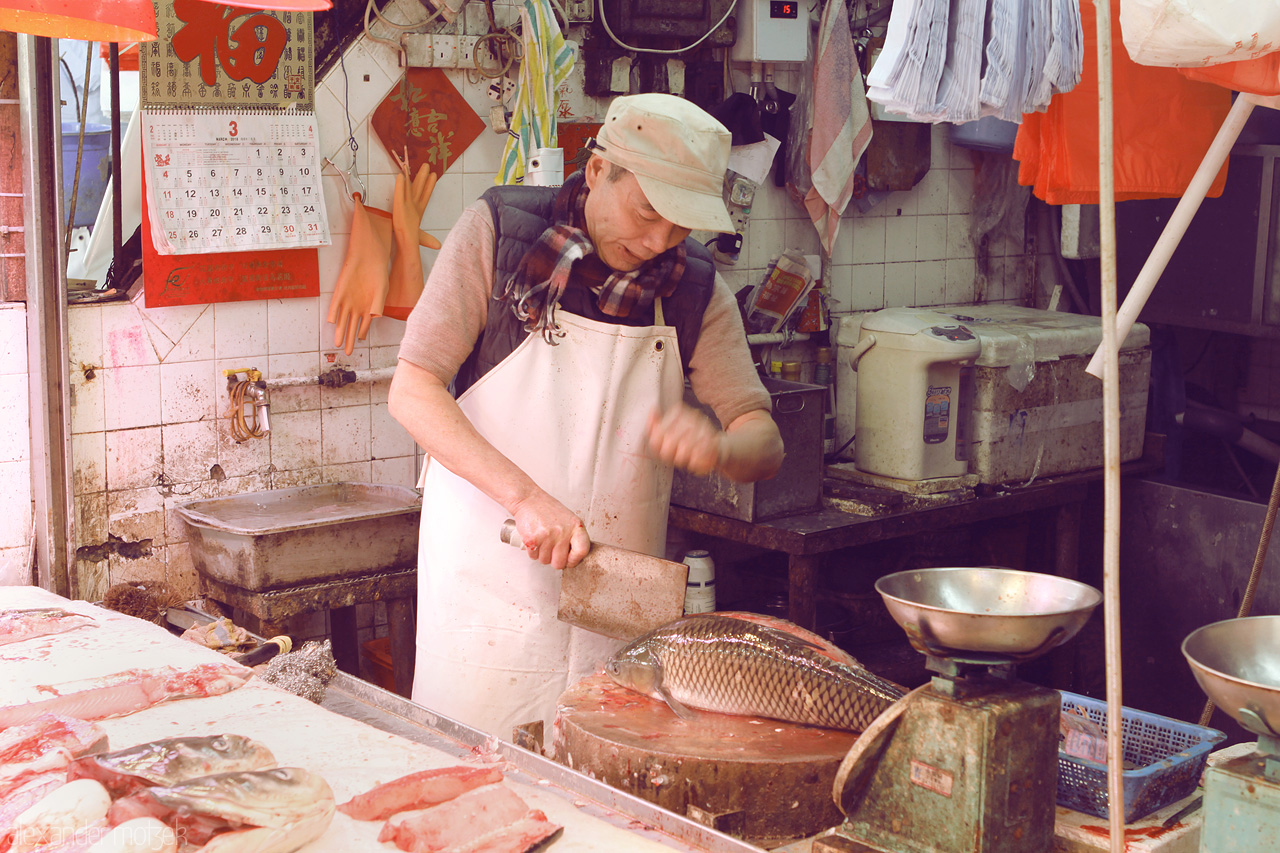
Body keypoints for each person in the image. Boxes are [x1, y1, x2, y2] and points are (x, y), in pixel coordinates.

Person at [387, 93, 785, 739]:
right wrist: (524, 496)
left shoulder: (694, 289)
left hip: (614, 624)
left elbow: (763, 441)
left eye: (682, 226)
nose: (659, 242)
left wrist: (722, 450)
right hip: (484, 604)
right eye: (648, 211)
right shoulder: (499, 234)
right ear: (598, 170)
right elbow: (411, 389)